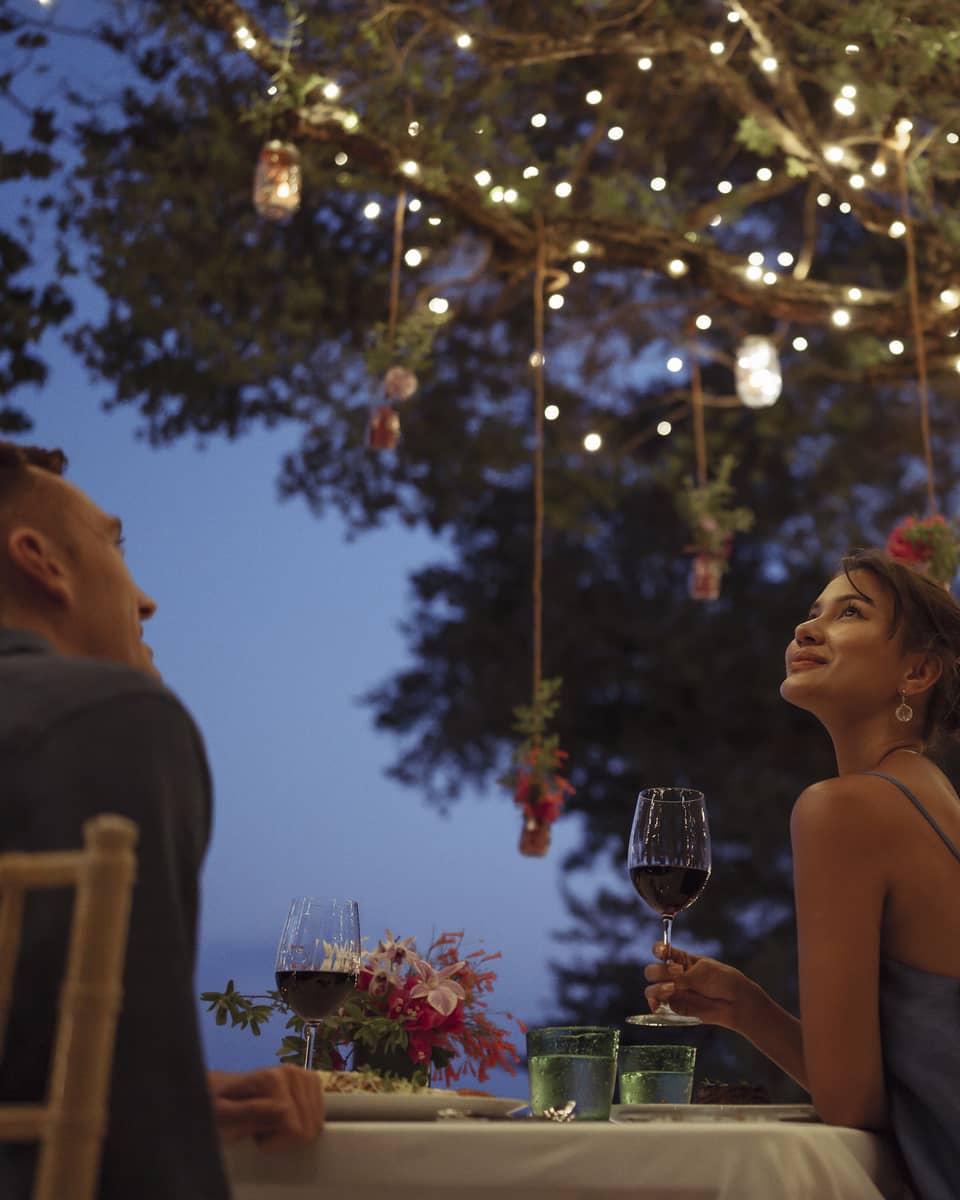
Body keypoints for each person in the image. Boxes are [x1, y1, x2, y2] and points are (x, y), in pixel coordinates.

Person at [0, 441, 324, 1199]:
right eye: (115, 547)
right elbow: (142, 1162)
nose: (145, 600)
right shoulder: (106, 718)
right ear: (41, 562)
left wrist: (176, 1089)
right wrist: (154, 1106)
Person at [644, 548, 960, 1200]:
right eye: (813, 612)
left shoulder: (844, 811)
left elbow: (852, 1106)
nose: (807, 629)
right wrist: (747, 1010)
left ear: (919, 669)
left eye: (850, 613)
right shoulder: (933, 801)